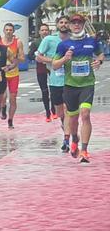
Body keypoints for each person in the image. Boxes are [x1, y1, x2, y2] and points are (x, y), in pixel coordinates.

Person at [52, 12, 104, 163]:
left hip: (87, 85)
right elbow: (55, 65)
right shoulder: (64, 45)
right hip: (70, 86)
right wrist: (64, 58)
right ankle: (74, 138)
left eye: (79, 23)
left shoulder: (91, 42)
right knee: (73, 118)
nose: (76, 25)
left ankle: (85, 150)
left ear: (83, 25)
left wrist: (98, 62)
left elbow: (100, 55)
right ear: (69, 25)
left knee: (86, 114)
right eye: (73, 23)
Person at [36, 16, 70, 150]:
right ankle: (66, 128)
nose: (64, 24)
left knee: (69, 111)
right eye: (61, 22)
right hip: (55, 81)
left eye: (66, 22)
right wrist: (53, 61)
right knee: (61, 113)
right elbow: (38, 57)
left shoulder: (74, 39)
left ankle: (67, 139)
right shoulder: (49, 39)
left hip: (71, 81)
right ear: (57, 25)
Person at [2, 22, 25, 128]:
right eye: (6, 30)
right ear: (3, 31)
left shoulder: (18, 42)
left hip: (13, 73)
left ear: (13, 31)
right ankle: (3, 109)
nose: (8, 32)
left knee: (13, 98)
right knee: (2, 96)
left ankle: (10, 120)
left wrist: (14, 60)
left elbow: (22, 58)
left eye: (10, 30)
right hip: (1, 73)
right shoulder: (0, 42)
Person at [30, 24, 53, 120]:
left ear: (49, 31)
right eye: (42, 30)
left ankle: (54, 109)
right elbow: (30, 55)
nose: (44, 32)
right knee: (44, 90)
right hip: (41, 68)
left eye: (46, 30)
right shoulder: (36, 42)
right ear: (39, 32)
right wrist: (37, 58)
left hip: (52, 67)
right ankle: (47, 112)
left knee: (54, 89)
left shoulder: (53, 41)